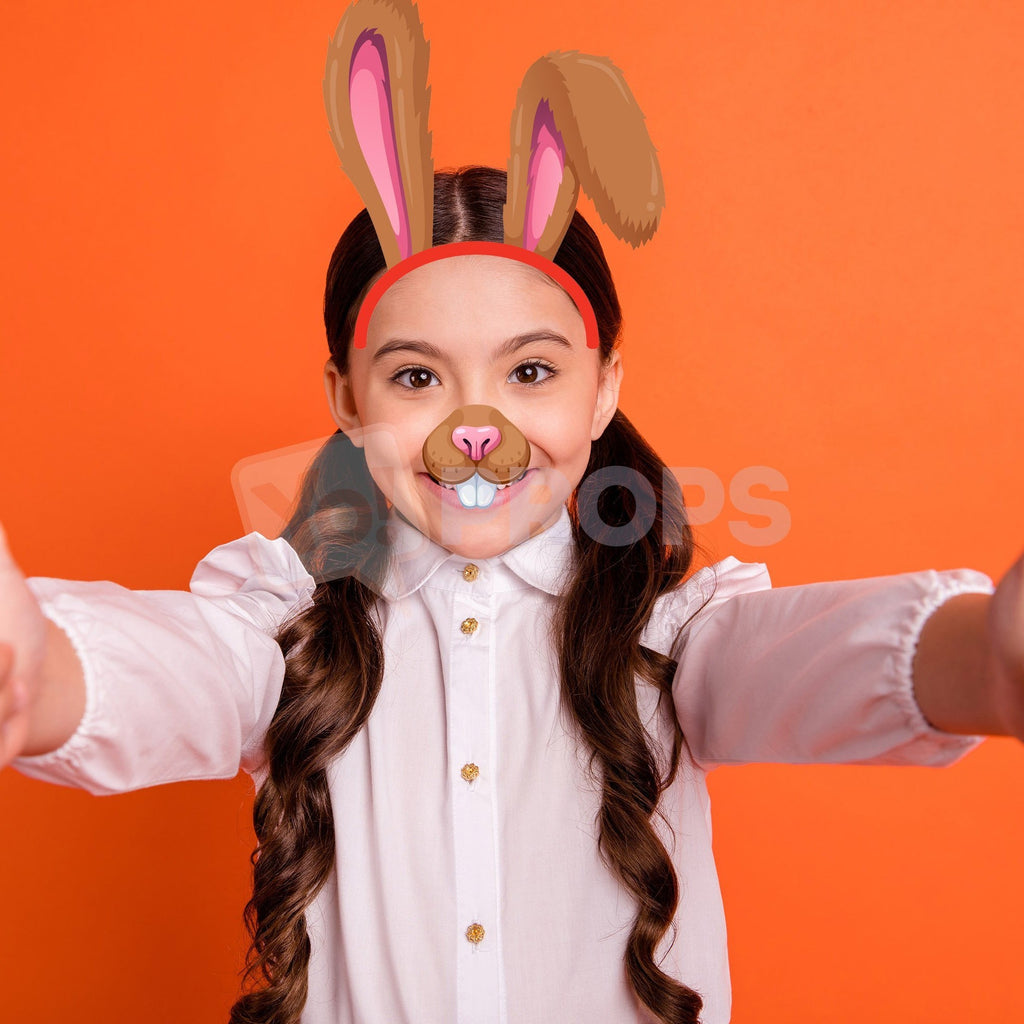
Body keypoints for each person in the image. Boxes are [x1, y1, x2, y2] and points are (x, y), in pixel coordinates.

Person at [2, 2, 1023, 1023]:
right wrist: (27, 667)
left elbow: (825, 660)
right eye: (415, 377)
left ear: (603, 385)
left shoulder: (676, 632)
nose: (476, 427)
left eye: (530, 369)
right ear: (348, 400)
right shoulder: (280, 627)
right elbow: (139, 672)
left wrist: (992, 656)